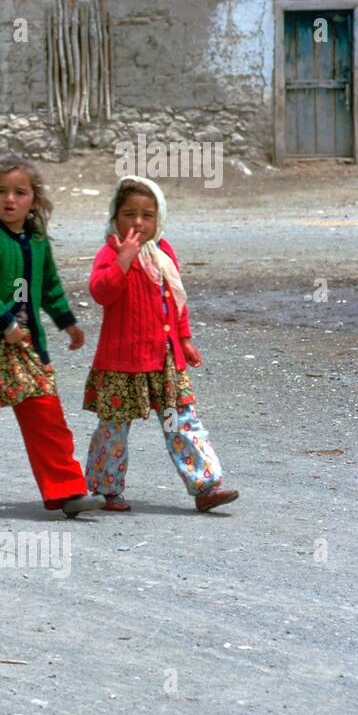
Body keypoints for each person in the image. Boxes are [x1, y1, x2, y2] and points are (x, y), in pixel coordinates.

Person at [0, 157, 101, 518]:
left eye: (19, 192)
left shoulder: (37, 240)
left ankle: (68, 492)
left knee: (46, 414)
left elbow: (50, 285)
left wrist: (67, 322)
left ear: (34, 199)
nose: (9, 199)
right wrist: (6, 323)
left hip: (24, 349)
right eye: (0, 191)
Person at [82, 175, 239, 513]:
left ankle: (205, 486)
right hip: (121, 362)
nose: (138, 222)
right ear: (115, 216)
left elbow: (173, 302)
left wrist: (184, 339)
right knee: (114, 428)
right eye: (129, 214)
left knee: (180, 420)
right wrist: (124, 259)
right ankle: (106, 490)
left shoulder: (164, 254)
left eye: (147, 215)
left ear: (159, 219)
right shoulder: (109, 253)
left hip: (164, 358)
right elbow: (102, 292)